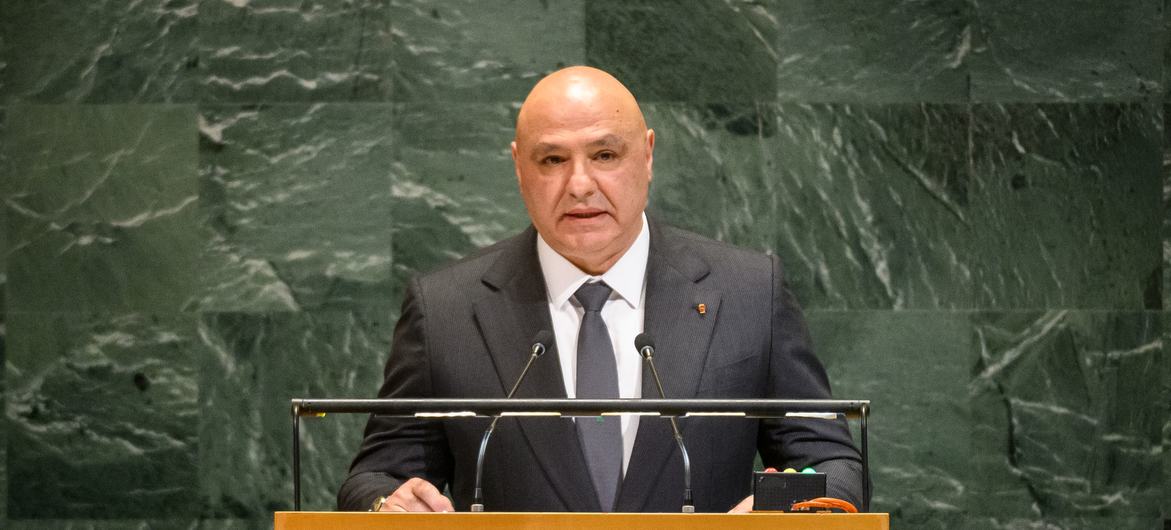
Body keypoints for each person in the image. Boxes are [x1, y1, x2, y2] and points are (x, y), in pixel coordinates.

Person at [337, 66, 864, 513]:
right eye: (552, 160)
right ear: (519, 167)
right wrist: (389, 505)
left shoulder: (749, 292)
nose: (580, 184)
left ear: (648, 155)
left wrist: (778, 509)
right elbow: (376, 477)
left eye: (605, 155)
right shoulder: (446, 310)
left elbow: (834, 464)